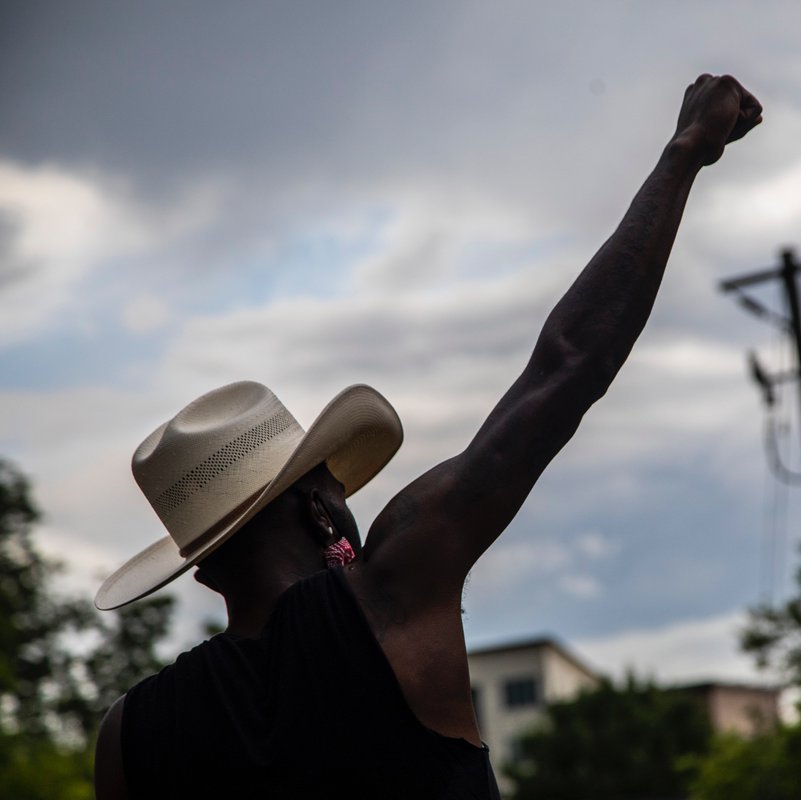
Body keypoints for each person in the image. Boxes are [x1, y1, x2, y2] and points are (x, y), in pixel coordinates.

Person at [93, 74, 762, 799]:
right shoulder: (390, 594)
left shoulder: (130, 734)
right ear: (321, 511)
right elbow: (568, 368)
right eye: (337, 488)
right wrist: (685, 153)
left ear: (203, 568)